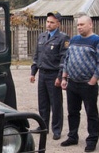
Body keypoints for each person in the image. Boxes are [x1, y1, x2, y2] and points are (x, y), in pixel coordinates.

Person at [60, 13, 99, 152]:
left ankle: (92, 140)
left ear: (90, 24)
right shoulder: (74, 40)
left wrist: (93, 81)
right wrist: (64, 77)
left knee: (91, 113)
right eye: (78, 25)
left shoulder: (97, 41)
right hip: (72, 83)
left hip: (88, 85)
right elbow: (67, 59)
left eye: (82, 24)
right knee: (72, 112)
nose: (79, 27)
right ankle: (72, 136)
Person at [30, 11, 70, 140]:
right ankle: (43, 126)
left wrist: (60, 77)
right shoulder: (41, 36)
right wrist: (33, 72)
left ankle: (56, 130)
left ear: (58, 24)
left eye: (52, 22)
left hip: (54, 75)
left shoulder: (63, 38)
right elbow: (37, 56)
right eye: (47, 22)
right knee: (43, 103)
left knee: (56, 104)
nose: (49, 24)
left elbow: (64, 59)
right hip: (42, 73)